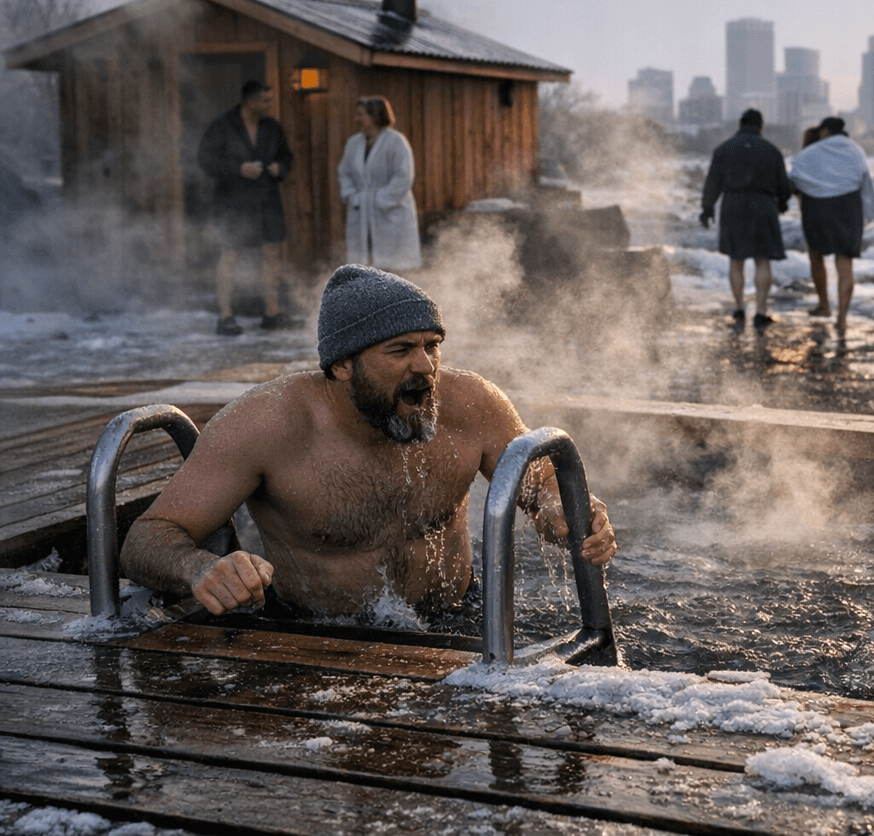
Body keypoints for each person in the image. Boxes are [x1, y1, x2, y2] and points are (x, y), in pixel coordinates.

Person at [120, 264, 618, 623]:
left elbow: (542, 487)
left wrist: (567, 511)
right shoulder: (266, 425)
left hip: (457, 617)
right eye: (400, 350)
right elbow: (147, 538)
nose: (425, 366)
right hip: (314, 633)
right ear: (342, 365)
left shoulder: (472, 404)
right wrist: (200, 568)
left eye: (432, 346)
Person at [197, 80, 295, 335]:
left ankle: (272, 313)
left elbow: (286, 156)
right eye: (265, 101)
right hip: (233, 202)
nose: (270, 105)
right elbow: (206, 159)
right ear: (250, 101)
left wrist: (280, 168)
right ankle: (225, 316)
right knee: (230, 254)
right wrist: (238, 169)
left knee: (271, 254)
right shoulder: (223, 126)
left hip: (267, 200)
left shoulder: (272, 127)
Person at [700, 108, 792, 329]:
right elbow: (784, 184)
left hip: (733, 205)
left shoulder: (724, 149)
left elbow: (713, 182)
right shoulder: (772, 150)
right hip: (763, 205)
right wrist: (782, 202)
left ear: (740, 124)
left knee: (736, 259)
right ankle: (760, 312)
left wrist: (707, 208)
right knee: (762, 260)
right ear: (761, 126)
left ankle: (740, 308)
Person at [787, 117, 874, 331]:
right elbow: (865, 181)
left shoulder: (811, 151)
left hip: (816, 207)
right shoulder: (855, 150)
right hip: (848, 207)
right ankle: (842, 318)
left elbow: (794, 177)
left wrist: (785, 199)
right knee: (845, 263)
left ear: (826, 131)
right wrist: (872, 213)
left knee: (816, 256)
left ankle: (824, 305)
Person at [338, 96, 422, 271]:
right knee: (364, 265)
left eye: (361, 114)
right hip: (361, 210)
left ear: (375, 116)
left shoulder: (396, 142)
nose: (357, 119)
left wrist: (379, 200)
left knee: (395, 268)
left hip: (390, 211)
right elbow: (344, 172)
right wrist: (352, 195)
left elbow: (403, 177)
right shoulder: (354, 143)